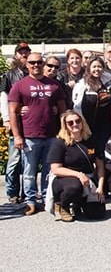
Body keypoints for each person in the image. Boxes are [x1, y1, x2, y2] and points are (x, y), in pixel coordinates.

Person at [9, 52, 67, 215]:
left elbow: (62, 111)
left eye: (39, 62)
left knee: (50, 171)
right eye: (32, 62)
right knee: (29, 171)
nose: (36, 65)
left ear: (43, 64)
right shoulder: (19, 85)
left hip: (51, 136)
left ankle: (48, 199)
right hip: (29, 136)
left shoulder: (54, 85)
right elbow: (13, 111)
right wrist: (18, 136)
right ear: (26, 65)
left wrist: (63, 133)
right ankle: (31, 201)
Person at [47, 110, 106, 222]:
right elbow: (55, 169)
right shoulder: (60, 143)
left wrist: (100, 187)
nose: (75, 124)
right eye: (70, 123)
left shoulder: (91, 140)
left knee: (97, 214)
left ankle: (78, 204)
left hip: (88, 180)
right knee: (74, 187)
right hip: (64, 179)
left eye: (77, 121)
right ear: (65, 126)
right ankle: (62, 205)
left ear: (82, 122)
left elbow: (100, 165)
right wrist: (79, 175)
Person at [1, 42, 31, 204]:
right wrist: (6, 118)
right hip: (16, 124)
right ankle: (12, 193)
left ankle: (27, 193)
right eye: (21, 53)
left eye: (26, 52)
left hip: (31, 125)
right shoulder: (10, 75)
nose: (24, 55)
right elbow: (3, 98)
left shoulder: (34, 74)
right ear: (16, 55)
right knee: (13, 161)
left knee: (28, 161)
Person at [72, 56, 111, 148]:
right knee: (92, 151)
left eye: (99, 67)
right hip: (88, 126)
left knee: (105, 150)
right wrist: (83, 126)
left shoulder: (108, 81)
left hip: (106, 126)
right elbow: (77, 108)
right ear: (89, 68)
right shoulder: (81, 85)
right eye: (94, 67)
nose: (97, 69)